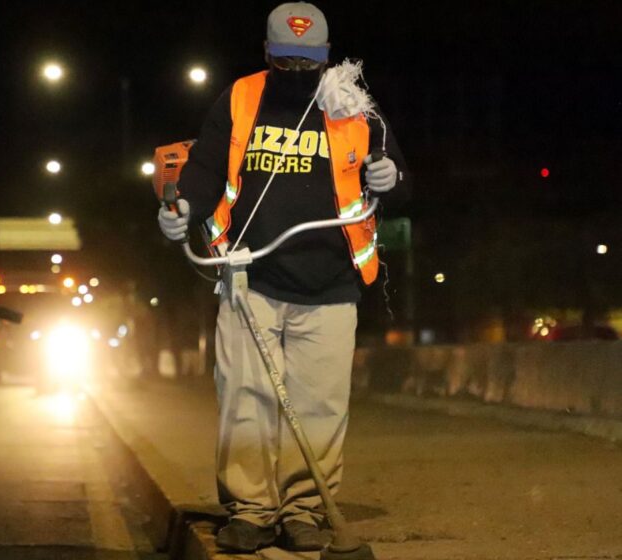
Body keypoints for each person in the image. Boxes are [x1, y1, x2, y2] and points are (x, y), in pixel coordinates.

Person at [157, 2, 410, 553]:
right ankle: (250, 510)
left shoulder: (352, 104)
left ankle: (304, 511)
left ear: (324, 57)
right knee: (245, 398)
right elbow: (203, 170)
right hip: (251, 277)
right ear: (268, 54)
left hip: (331, 283)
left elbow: (393, 175)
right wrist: (180, 212)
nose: (298, 74)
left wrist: (390, 176)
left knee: (320, 406)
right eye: (288, 63)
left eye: (308, 64)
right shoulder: (241, 97)